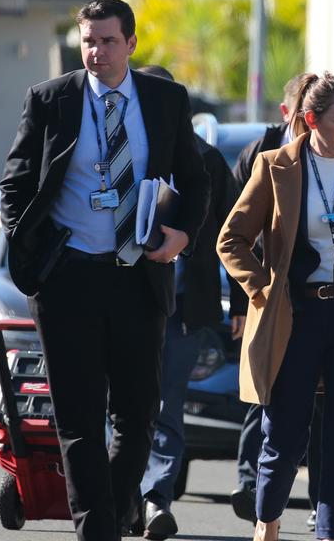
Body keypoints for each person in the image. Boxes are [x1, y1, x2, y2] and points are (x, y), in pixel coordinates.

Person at [0, 0, 210, 541]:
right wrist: (34, 258)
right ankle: (97, 530)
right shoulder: (50, 100)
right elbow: (17, 184)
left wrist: (182, 235)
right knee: (78, 421)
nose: (96, 52)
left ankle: (115, 511)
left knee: (137, 420)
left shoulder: (165, 99)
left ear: (131, 44)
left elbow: (197, 178)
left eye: (108, 41)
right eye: (88, 41)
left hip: (138, 277)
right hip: (68, 279)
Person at [218, 72, 334, 541]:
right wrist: (262, 289)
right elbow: (231, 239)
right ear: (311, 120)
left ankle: (331, 535)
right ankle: (267, 518)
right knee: (284, 439)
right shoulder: (275, 165)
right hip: (294, 316)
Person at [131, 65, 238, 540]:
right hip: (123, 301)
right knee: (123, 402)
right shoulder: (116, 151)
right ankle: (123, 495)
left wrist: (239, 303)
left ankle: (155, 500)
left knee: (167, 403)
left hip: (183, 307)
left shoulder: (207, 161)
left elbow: (236, 234)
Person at [228, 72, 327, 528]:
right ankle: (255, 492)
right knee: (267, 407)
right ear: (297, 114)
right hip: (276, 306)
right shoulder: (263, 158)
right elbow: (233, 236)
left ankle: (323, 510)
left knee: (333, 415)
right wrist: (252, 295)